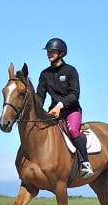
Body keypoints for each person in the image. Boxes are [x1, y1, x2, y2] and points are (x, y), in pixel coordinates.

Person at [35, 37, 93, 177]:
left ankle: (85, 163)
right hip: (53, 113)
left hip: (71, 110)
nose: (49, 54)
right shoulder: (44, 74)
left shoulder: (70, 71)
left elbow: (75, 94)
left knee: (73, 130)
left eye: (52, 51)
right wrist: (37, 111)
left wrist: (60, 106)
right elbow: (40, 96)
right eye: (48, 51)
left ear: (61, 53)